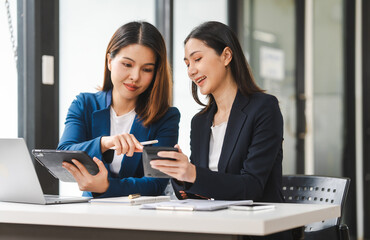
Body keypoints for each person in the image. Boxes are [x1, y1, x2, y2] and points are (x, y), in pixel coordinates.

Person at [150, 21, 291, 240]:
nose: (191, 71)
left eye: (197, 59)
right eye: (187, 63)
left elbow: (252, 187)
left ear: (226, 56)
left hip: (255, 232)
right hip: (214, 229)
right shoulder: (200, 122)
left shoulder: (264, 108)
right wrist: (181, 175)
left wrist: (193, 173)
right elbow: (197, 192)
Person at [58, 21, 180, 198]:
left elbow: (156, 184)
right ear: (109, 61)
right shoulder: (84, 104)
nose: (135, 77)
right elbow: (63, 155)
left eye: (146, 69)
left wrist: (106, 186)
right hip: (91, 214)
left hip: (142, 217)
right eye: (127, 65)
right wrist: (105, 143)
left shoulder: (166, 117)